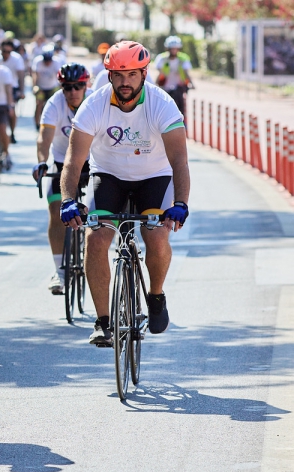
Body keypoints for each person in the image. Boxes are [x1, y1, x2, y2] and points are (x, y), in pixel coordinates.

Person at [59, 41, 190, 346]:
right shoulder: (94, 104)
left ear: (144, 74)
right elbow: (73, 160)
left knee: (156, 237)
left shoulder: (162, 104)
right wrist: (67, 199)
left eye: (131, 74)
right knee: (96, 239)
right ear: (109, 77)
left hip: (154, 177)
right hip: (109, 176)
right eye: (118, 75)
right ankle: (103, 321)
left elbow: (179, 161)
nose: (125, 82)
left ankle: (155, 296)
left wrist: (180, 202)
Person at [32, 63, 92, 294]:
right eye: (68, 87)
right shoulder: (54, 103)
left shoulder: (94, 102)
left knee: (100, 211)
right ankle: (60, 271)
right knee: (56, 211)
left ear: (86, 86)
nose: (73, 92)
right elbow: (44, 137)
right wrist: (41, 161)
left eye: (78, 86)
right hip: (61, 162)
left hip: (93, 161)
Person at [154, 35, 194, 120]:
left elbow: (186, 73)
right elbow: (160, 73)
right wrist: (156, 85)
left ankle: (181, 123)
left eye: (176, 49)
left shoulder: (183, 58)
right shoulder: (162, 58)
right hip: (165, 86)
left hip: (179, 86)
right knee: (164, 107)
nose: (174, 51)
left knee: (180, 106)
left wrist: (191, 84)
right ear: (168, 48)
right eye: (172, 49)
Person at [0, 39, 26, 144]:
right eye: (4, 51)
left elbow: (20, 75)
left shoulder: (17, 58)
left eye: (8, 52)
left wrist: (22, 91)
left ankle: (12, 132)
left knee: (11, 109)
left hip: (12, 87)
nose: (6, 54)